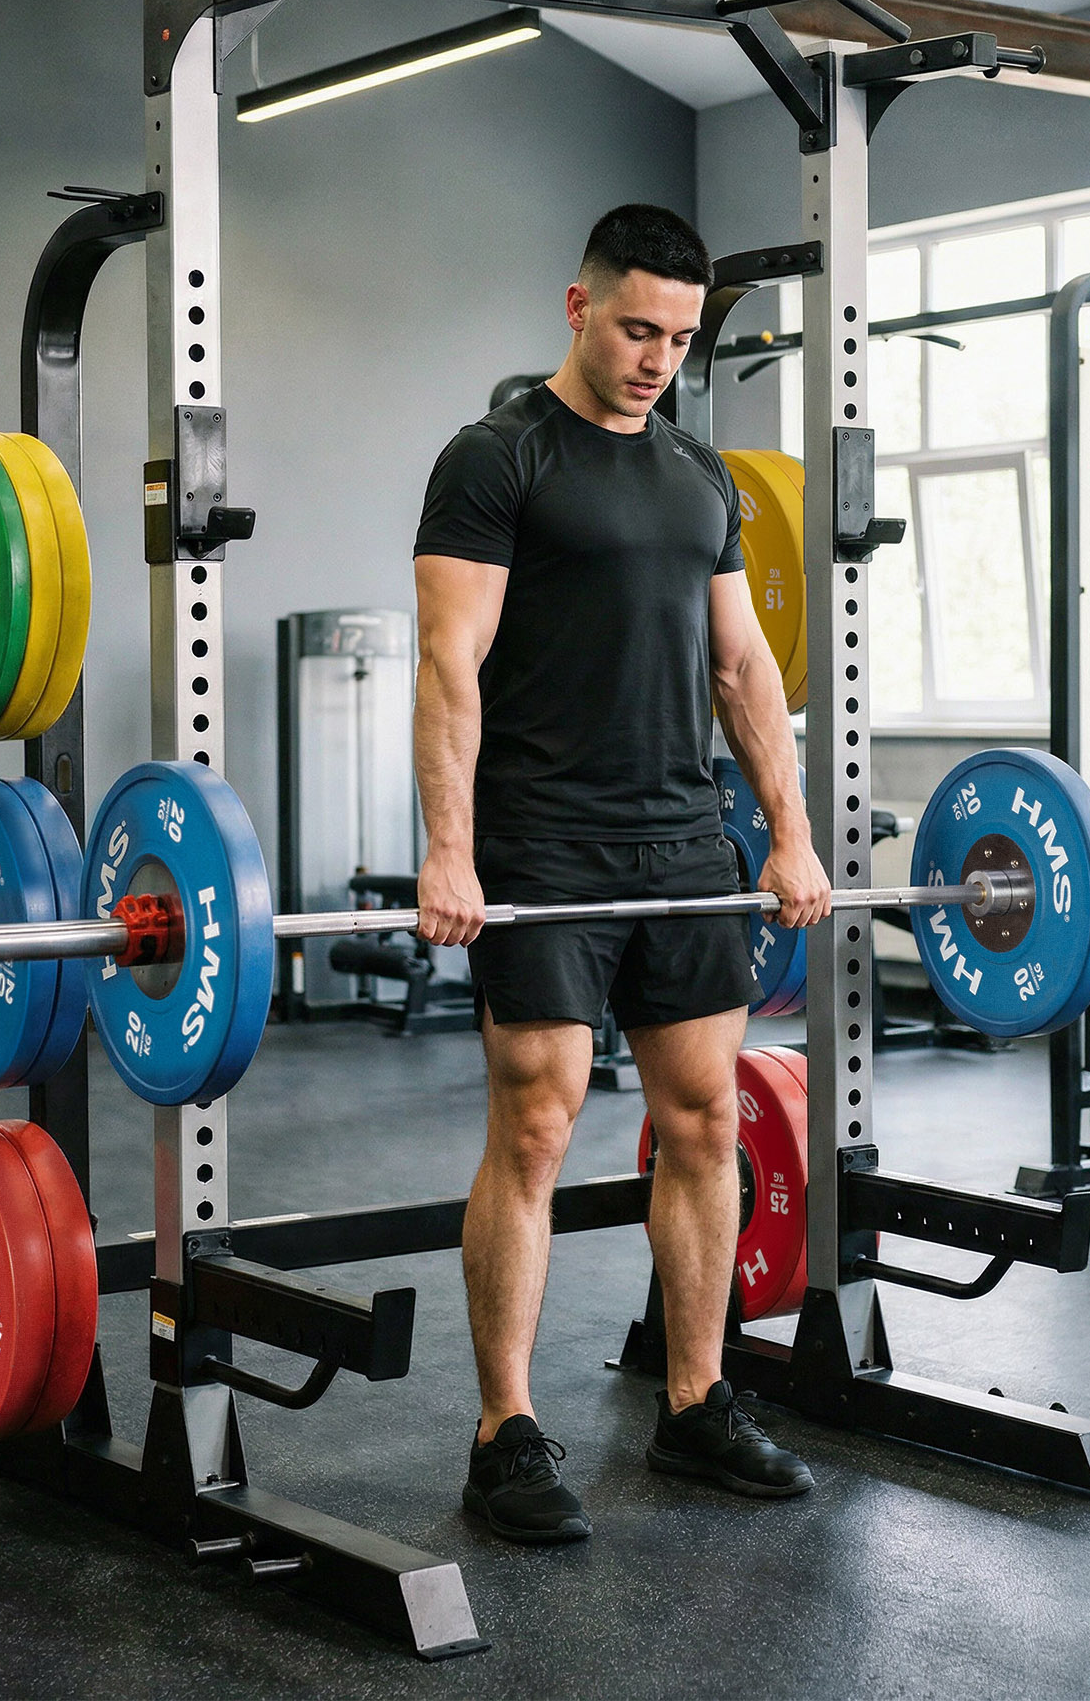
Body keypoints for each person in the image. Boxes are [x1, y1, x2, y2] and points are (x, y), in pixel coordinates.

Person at [411, 203, 831, 1544]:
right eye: (639, 328)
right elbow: (449, 664)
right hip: (542, 838)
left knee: (703, 1119)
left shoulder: (699, 475)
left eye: (681, 339)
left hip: (681, 839)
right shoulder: (496, 459)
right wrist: (450, 847)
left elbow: (742, 668)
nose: (658, 359)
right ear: (578, 305)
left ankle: (697, 1401)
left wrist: (790, 830)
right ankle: (505, 1432)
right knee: (537, 1128)